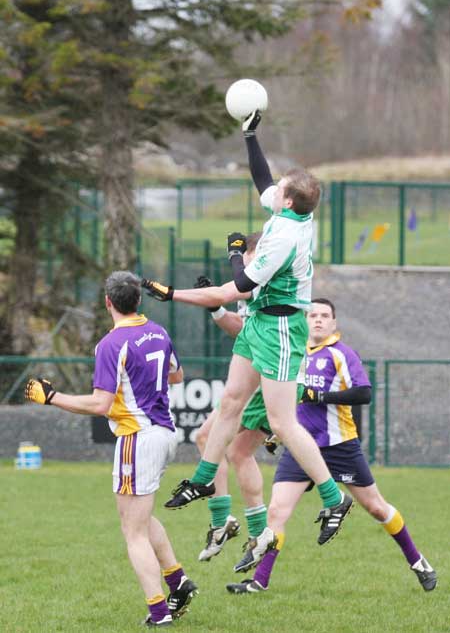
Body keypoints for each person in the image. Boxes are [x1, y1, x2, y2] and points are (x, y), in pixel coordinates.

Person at [143, 110, 353, 563]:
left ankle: (336, 498)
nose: (272, 190)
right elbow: (262, 178)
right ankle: (202, 479)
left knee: (281, 424)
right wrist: (249, 134)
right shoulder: (285, 211)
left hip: (279, 328)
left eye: (281, 189)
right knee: (230, 402)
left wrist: (176, 292)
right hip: (259, 323)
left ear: (291, 203)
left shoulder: (283, 239)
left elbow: (233, 288)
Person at [226, 298, 437, 594]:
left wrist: (320, 397)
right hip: (300, 448)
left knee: (376, 508)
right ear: (304, 319)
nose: (318, 320)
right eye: (313, 315)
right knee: (276, 511)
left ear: (334, 323)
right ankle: (259, 581)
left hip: (339, 446)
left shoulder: (341, 354)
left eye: (325, 316)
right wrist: (271, 433)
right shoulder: (291, 353)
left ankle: (418, 562)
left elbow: (363, 393)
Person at [25, 271, 198, 627]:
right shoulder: (159, 332)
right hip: (165, 434)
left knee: (131, 531)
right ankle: (178, 582)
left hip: (137, 439)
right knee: (142, 519)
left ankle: (159, 611)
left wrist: (52, 397)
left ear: (108, 302)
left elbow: (100, 404)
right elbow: (177, 376)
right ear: (138, 300)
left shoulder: (111, 344)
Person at [191, 234, 274, 568]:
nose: (247, 261)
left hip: (266, 378)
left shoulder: (265, 277)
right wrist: (216, 308)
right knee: (239, 452)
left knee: (210, 439)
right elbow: (243, 328)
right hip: (266, 376)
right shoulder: (256, 284)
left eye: (250, 254)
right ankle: (255, 532)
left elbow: (254, 330)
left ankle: (223, 519)